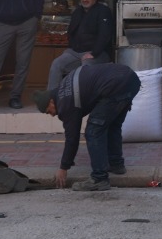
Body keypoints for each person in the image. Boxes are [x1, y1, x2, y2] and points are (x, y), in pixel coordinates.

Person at [33, 61, 140, 192]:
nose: (51, 115)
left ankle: (99, 179)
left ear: (50, 101)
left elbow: (72, 138)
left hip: (114, 85)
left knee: (93, 131)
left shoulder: (65, 103)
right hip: (130, 79)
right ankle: (116, 164)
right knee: (111, 125)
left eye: (48, 111)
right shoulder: (63, 89)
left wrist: (63, 168)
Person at [46, 0, 114, 93]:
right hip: (75, 52)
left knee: (86, 67)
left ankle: (83, 102)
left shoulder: (103, 11)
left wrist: (93, 53)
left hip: (98, 53)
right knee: (57, 64)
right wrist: (71, 49)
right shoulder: (77, 12)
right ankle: (51, 99)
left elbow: (105, 35)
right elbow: (71, 32)